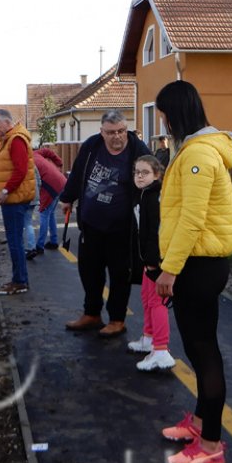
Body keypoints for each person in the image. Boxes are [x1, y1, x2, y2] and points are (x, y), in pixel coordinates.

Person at [155, 80, 232, 463]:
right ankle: (202, 422)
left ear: (176, 113)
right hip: (196, 263)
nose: (163, 123)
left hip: (198, 265)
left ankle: (210, 444)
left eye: (164, 115)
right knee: (197, 348)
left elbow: (191, 220)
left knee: (204, 352)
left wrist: (169, 269)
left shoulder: (199, 156)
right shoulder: (192, 151)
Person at [60, 110, 150, 337]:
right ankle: (91, 314)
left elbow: (151, 183)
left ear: (126, 128)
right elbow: (78, 171)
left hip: (122, 228)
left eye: (121, 131)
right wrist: (67, 197)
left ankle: (117, 319)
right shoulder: (92, 146)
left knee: (120, 274)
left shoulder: (138, 151)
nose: (117, 136)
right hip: (91, 224)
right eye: (110, 132)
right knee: (89, 271)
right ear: (102, 132)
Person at [128, 154, 175, 371]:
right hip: (146, 259)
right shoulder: (143, 194)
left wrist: (154, 261)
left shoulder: (155, 197)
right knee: (146, 298)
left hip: (155, 261)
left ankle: (162, 349)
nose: (139, 176)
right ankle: (148, 338)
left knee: (157, 303)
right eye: (137, 172)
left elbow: (158, 232)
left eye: (145, 172)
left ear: (156, 174)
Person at [0, 109, 36, 294]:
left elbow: (20, 171)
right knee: (14, 240)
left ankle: (20, 282)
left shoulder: (16, 140)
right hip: (11, 199)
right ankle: (19, 279)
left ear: (7, 122)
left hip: (14, 200)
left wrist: (5, 190)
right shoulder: (7, 139)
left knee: (15, 241)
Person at [34, 147, 66, 252]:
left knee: (44, 213)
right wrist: (59, 163)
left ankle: (40, 246)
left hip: (50, 186)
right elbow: (47, 151)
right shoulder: (36, 153)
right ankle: (53, 241)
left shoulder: (27, 162)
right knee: (50, 213)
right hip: (62, 181)